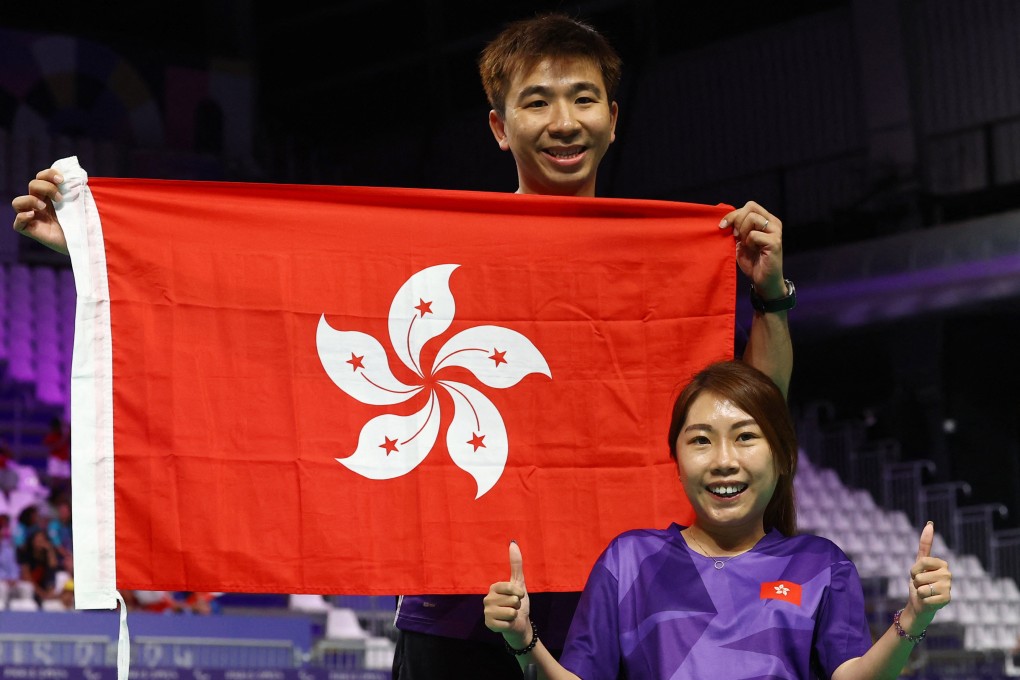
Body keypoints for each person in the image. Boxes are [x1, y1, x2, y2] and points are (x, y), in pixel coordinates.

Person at [11, 12, 794, 678]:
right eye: (537, 101)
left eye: (583, 98)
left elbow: (755, 415)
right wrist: (95, 248)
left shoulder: (663, 266)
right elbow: (251, 295)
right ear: (500, 128)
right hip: (456, 621)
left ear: (613, 119)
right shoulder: (439, 252)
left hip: (614, 609)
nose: (564, 122)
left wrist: (769, 296)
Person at [484, 360, 952, 679]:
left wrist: (915, 617)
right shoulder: (628, 561)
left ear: (782, 457)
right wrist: (524, 641)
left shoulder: (821, 565)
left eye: (745, 437)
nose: (723, 461)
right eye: (701, 440)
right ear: (677, 460)